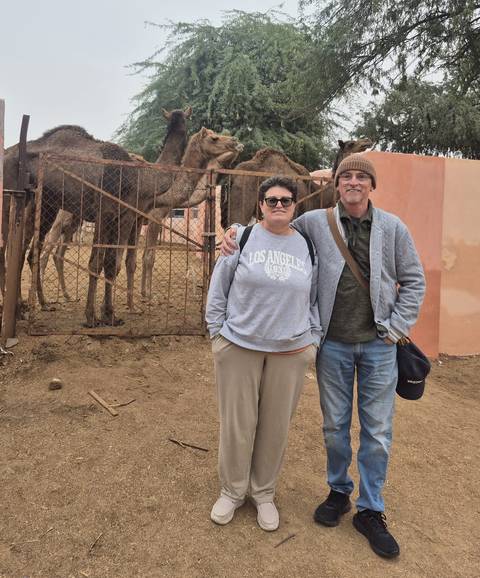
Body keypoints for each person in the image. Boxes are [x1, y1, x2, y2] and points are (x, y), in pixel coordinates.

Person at [221, 154, 425, 557]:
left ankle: (370, 509)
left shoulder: (393, 228)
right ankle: (338, 492)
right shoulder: (315, 223)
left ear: (372, 185)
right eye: (345, 176)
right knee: (334, 427)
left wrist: (396, 328)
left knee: (377, 432)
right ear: (336, 184)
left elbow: (414, 280)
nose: (353, 182)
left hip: (379, 347)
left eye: (361, 177)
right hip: (332, 344)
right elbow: (271, 227)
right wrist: (235, 230)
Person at [206, 176, 321, 532]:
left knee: (275, 428)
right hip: (240, 345)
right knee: (238, 425)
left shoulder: (306, 246)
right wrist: (217, 335)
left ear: (295, 205)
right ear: (261, 205)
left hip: (290, 350)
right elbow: (219, 288)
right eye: (271, 200)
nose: (279, 206)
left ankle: (264, 493)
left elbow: (313, 297)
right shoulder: (242, 238)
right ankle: (232, 490)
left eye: (286, 200)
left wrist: (312, 340)